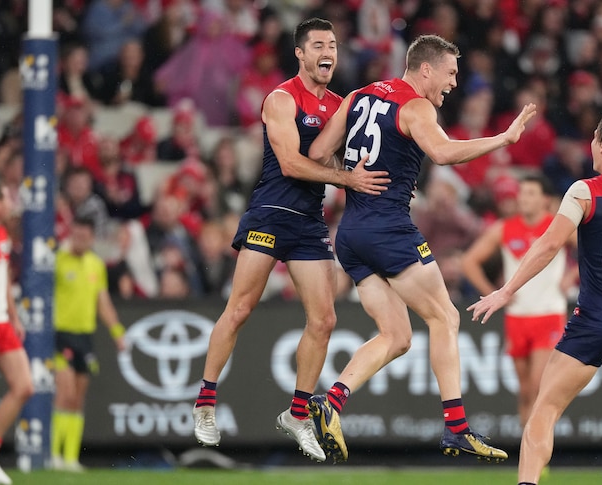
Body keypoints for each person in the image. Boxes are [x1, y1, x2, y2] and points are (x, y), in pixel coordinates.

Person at [307, 34, 537, 463]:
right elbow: (444, 153)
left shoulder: (358, 95)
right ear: (425, 68)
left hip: (352, 232)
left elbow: (319, 151)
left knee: (396, 336)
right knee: (445, 317)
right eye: (450, 73)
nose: (453, 82)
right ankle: (457, 428)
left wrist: (349, 178)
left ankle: (331, 401)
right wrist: (503, 139)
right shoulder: (416, 106)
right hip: (389, 228)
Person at [191, 18, 389, 463]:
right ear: (300, 53)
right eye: (319, 44)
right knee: (240, 308)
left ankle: (298, 414)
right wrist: (345, 178)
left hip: (308, 221)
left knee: (324, 321)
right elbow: (290, 164)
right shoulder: (281, 98)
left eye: (334, 45)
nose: (328, 52)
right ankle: (205, 403)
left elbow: (352, 159)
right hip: (271, 213)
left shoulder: (341, 105)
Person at [469, 112, 602, 485]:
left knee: (544, 409)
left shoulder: (585, 191)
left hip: (597, 319)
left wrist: (505, 290)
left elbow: (549, 244)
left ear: (601, 146)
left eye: (595, 139)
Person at [461, 174, 571, 428]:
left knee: (538, 386)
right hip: (517, 316)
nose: (523, 198)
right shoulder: (504, 228)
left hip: (549, 313)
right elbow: (468, 262)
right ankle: (528, 450)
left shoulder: (556, 226)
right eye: (521, 192)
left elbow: (592, 250)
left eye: (531, 193)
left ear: (546, 200)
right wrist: (493, 292)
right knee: (524, 391)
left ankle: (540, 453)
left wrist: (572, 276)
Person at [51, 215, 127, 471]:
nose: (80, 240)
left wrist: (117, 331)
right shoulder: (58, 261)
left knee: (77, 397)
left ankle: (70, 458)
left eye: (85, 236)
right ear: (71, 234)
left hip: (85, 336)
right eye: (77, 235)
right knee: (65, 393)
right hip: (61, 334)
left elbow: (102, 301)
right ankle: (54, 455)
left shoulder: (96, 265)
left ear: (91, 237)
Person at [0, 178, 34, 485]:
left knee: (25, 386)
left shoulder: (1, 234)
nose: (11, 204)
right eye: (7, 198)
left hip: (2, 320)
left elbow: (2, 279)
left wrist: (14, 315)